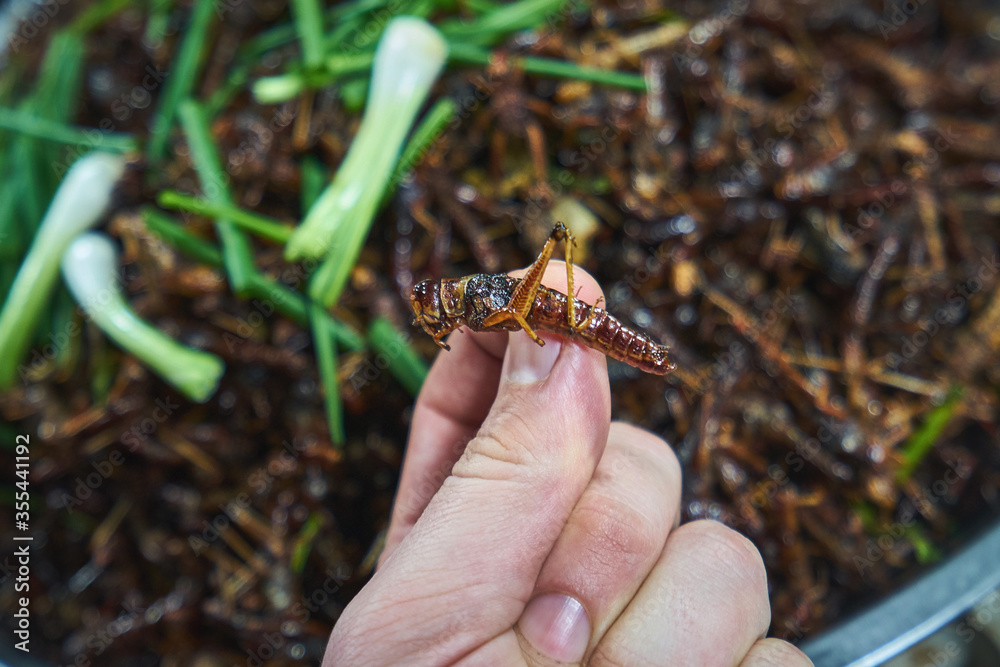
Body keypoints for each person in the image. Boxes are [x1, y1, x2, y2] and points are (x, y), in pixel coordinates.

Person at [324, 262, 814, 666]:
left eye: (431, 306)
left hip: (554, 313)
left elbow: (508, 309)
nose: (431, 314)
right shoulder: (464, 310)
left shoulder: (473, 299)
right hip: (549, 317)